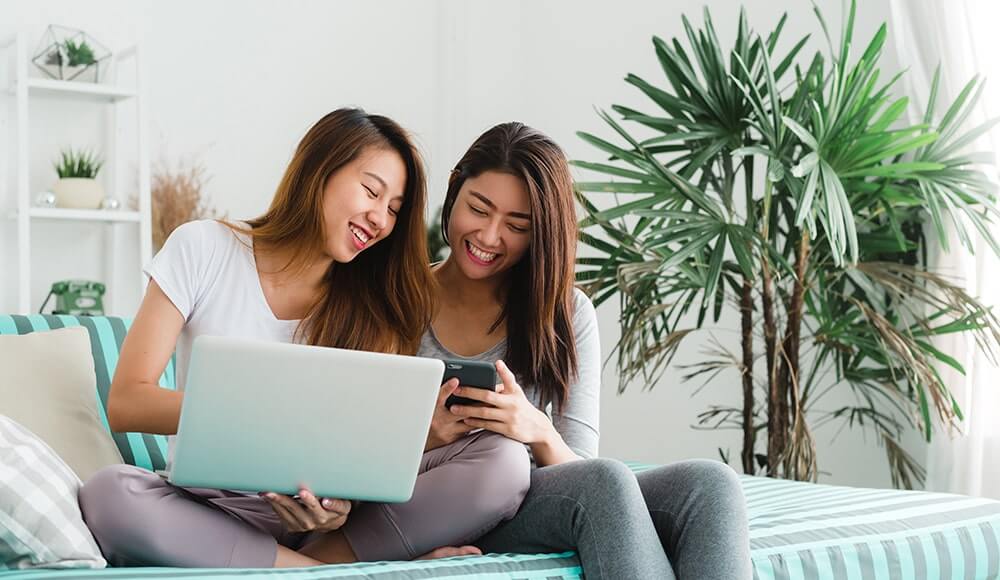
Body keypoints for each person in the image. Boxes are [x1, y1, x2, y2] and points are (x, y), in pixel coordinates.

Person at [79, 109, 530, 568]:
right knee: (109, 494)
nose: (379, 218)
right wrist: (258, 414)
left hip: (306, 523)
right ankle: (323, 574)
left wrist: (335, 510)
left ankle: (313, 561)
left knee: (505, 462)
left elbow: (355, 454)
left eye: (394, 209)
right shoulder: (203, 248)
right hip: (202, 509)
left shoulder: (372, 310)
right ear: (319, 170)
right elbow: (127, 402)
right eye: (371, 191)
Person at [421, 121, 753, 579]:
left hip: (531, 496)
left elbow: (578, 460)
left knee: (711, 485)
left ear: (541, 233)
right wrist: (433, 434)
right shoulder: (398, 300)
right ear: (455, 189)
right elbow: (359, 454)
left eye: (517, 225)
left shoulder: (565, 311)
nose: (490, 236)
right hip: (444, 499)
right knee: (606, 482)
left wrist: (536, 430)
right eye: (479, 209)